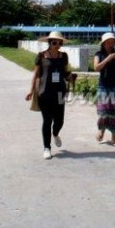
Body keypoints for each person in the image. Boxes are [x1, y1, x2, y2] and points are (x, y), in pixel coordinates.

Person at [25, 31, 72, 160]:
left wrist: (70, 77)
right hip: (44, 92)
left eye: (59, 42)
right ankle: (47, 147)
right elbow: (36, 74)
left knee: (59, 120)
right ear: (49, 43)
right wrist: (30, 90)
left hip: (59, 92)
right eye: (54, 42)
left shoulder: (64, 56)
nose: (57, 45)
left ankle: (55, 133)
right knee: (47, 120)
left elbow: (65, 72)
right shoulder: (41, 56)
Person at [93, 32, 115, 145]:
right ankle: (101, 131)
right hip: (103, 86)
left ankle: (114, 139)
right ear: (103, 43)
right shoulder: (99, 54)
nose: (110, 44)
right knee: (104, 112)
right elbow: (96, 68)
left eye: (112, 42)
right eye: (108, 42)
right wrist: (108, 59)